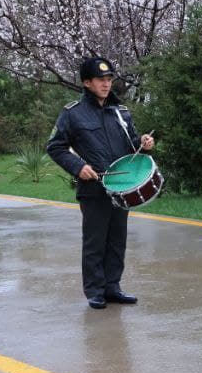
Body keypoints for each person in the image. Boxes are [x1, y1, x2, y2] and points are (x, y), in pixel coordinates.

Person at [47, 56, 154, 310]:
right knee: (95, 242)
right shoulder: (72, 113)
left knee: (118, 240)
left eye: (109, 79)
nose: (107, 84)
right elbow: (55, 146)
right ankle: (95, 291)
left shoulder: (121, 112)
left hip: (123, 186)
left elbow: (131, 145)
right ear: (87, 82)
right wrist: (78, 167)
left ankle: (112, 287)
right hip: (94, 189)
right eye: (100, 80)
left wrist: (144, 144)